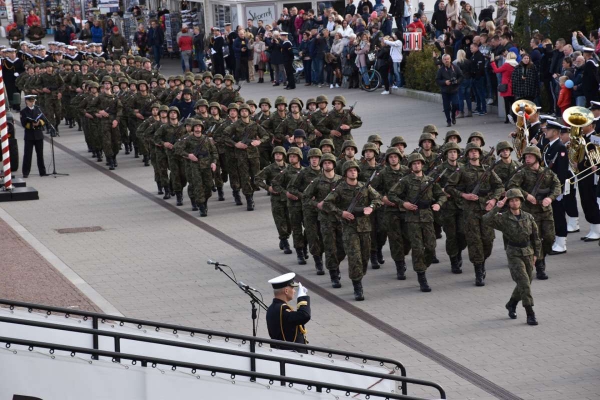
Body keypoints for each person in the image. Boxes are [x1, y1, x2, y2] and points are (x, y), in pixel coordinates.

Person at [445, 142, 503, 286]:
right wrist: (464, 195)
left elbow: (499, 186)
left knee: (488, 240)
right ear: (467, 155)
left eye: (476, 151)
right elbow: (449, 187)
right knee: (474, 241)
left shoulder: (487, 170)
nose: (474, 153)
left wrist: (494, 200)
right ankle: (478, 271)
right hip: (470, 210)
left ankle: (482, 262)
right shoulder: (462, 170)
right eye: (471, 152)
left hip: (486, 210)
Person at [323, 160, 382, 301]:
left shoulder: (364, 187)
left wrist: (372, 207)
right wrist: (340, 212)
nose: (353, 172)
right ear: (345, 173)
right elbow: (327, 203)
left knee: (364, 258)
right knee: (355, 258)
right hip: (349, 228)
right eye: (350, 170)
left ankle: (359, 277)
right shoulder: (340, 188)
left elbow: (378, 199)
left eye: (355, 170)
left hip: (365, 228)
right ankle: (357, 286)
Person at [388, 153, 446, 292]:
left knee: (431, 247)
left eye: (419, 163)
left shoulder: (430, 180)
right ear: (410, 166)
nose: (416, 165)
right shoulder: (406, 181)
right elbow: (392, 194)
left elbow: (441, 195)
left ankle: (422, 266)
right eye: (414, 164)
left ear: (422, 165)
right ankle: (422, 277)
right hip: (412, 218)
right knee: (418, 248)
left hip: (427, 217)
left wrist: (438, 204)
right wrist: (404, 204)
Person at [483, 189, 540, 326]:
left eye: (516, 200)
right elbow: (486, 220)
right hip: (514, 253)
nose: (514, 202)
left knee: (526, 281)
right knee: (524, 282)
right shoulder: (503, 217)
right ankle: (530, 313)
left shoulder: (528, 217)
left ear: (521, 201)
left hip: (528, 252)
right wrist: (498, 206)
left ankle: (511, 303)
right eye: (512, 200)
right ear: (508, 203)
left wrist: (537, 254)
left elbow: (536, 237)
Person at [507, 146, 561, 280]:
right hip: (530, 212)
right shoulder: (522, 173)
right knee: (535, 239)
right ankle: (540, 266)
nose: (527, 158)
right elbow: (512, 185)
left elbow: (557, 185)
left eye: (530, 156)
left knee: (549, 237)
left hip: (545, 211)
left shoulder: (547, 172)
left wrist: (550, 198)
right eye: (525, 157)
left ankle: (542, 257)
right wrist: (526, 195)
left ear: (537, 157)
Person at [266, 273, 310, 351]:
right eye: (293, 288)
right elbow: (304, 315)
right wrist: (302, 298)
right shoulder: (283, 310)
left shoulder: (272, 308)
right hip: (291, 356)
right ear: (286, 291)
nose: (294, 291)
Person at [20, 95, 48, 178]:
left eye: (33, 101)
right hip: (29, 135)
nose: (33, 103)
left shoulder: (38, 109)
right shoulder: (23, 111)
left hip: (38, 135)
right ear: (27, 102)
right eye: (31, 101)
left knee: (40, 154)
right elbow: (23, 123)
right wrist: (32, 124)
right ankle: (25, 172)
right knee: (27, 154)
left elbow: (44, 120)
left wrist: (39, 123)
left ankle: (42, 172)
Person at [436, 54, 463, 127]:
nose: (446, 61)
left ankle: (453, 116)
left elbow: (461, 76)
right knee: (446, 107)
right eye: (445, 59)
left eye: (448, 59)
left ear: (450, 59)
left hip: (454, 90)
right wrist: (445, 82)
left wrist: (457, 81)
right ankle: (448, 120)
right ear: (442, 60)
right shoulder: (441, 70)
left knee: (455, 104)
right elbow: (437, 80)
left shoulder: (455, 67)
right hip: (445, 91)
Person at [491, 51, 518, 123]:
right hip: (514, 85)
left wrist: (492, 62)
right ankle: (515, 118)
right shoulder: (516, 64)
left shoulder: (507, 64)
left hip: (506, 85)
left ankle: (507, 118)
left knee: (506, 104)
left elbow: (497, 70)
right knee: (513, 103)